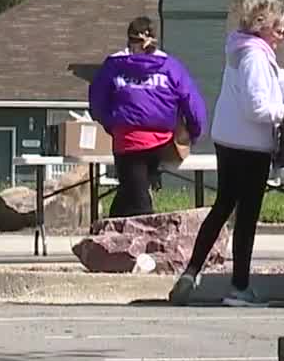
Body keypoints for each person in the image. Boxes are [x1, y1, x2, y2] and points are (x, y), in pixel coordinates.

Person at [171, 0, 284, 307]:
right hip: (250, 146)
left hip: (229, 140)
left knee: (222, 208)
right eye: (278, 26)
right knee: (246, 217)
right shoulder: (255, 58)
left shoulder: (247, 51)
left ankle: (191, 272)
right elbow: (259, 107)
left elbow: (281, 83)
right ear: (263, 26)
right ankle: (239, 287)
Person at [88, 16, 207, 217]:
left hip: (127, 141)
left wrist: (112, 125)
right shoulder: (170, 66)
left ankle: (136, 241)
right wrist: (193, 133)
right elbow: (192, 102)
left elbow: (97, 103)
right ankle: (109, 236)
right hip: (161, 142)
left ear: (129, 39)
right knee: (131, 192)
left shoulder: (113, 66)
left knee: (137, 198)